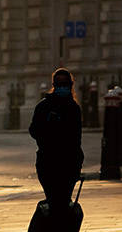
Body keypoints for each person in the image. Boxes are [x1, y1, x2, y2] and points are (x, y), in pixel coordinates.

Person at [28, 67, 84, 213]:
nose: (62, 87)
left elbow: (76, 138)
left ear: (70, 86)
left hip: (67, 162)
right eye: (59, 84)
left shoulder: (73, 108)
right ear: (54, 85)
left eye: (65, 84)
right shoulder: (44, 106)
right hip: (49, 161)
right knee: (56, 200)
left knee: (61, 202)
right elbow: (34, 130)